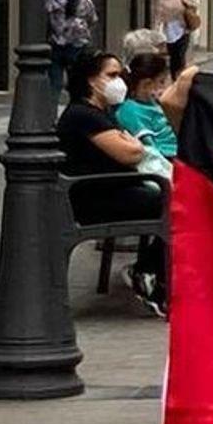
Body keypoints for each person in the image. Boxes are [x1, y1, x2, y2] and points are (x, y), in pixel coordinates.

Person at [56, 50, 167, 316]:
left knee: (182, 198)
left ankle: (151, 271)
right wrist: (134, 146)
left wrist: (133, 145)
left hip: (114, 189)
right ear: (92, 80)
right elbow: (131, 152)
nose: (120, 82)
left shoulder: (101, 112)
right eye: (112, 75)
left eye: (121, 75)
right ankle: (149, 272)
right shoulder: (83, 115)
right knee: (180, 202)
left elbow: (131, 146)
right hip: (96, 199)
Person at [46, 0, 99, 100]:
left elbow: (44, 15)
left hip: (56, 43)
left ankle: (51, 114)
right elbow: (92, 19)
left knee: (54, 83)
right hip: (77, 46)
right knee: (76, 83)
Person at [117, 53, 178, 160]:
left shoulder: (153, 103)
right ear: (147, 83)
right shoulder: (130, 111)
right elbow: (150, 149)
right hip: (168, 156)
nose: (164, 87)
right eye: (161, 82)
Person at [156, 0, 198, 77]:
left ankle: (180, 76)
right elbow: (159, 13)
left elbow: (194, 5)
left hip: (182, 29)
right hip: (169, 30)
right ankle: (174, 76)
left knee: (180, 54)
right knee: (173, 55)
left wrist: (187, 4)